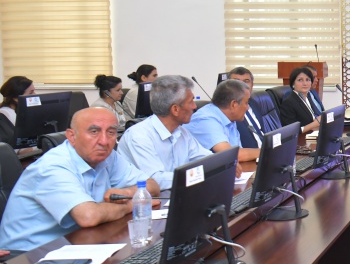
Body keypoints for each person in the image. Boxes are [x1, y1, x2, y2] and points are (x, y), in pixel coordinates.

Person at [0, 108, 158, 252]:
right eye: (94, 131)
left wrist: (127, 192)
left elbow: (151, 185)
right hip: (29, 256)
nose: (104, 141)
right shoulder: (52, 167)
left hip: (76, 242)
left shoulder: (108, 156)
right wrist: (133, 203)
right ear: (71, 136)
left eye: (111, 132)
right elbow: (89, 216)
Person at [118, 76, 211, 191]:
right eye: (191, 101)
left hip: (177, 195)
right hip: (146, 204)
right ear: (175, 109)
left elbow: (206, 159)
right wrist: (196, 176)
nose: (194, 106)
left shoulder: (181, 132)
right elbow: (156, 180)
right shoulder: (139, 136)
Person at [185, 79, 258, 169]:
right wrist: (264, 151)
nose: (247, 108)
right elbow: (232, 156)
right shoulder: (206, 119)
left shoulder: (229, 118)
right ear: (233, 104)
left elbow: (237, 153)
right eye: (246, 103)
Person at [228, 66, 269, 148]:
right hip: (249, 157)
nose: (242, 85)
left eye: (246, 81)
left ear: (252, 85)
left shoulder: (254, 104)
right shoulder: (227, 111)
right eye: (237, 82)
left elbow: (261, 132)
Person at [280, 66, 327, 134]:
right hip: (300, 141)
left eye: (308, 80)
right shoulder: (288, 103)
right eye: (300, 80)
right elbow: (290, 132)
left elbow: (310, 119)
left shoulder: (307, 97)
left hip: (313, 134)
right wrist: (314, 124)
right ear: (293, 83)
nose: (305, 84)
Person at [0, 75, 35, 147]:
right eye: (31, 93)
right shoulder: (4, 117)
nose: (35, 95)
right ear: (16, 98)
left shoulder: (23, 112)